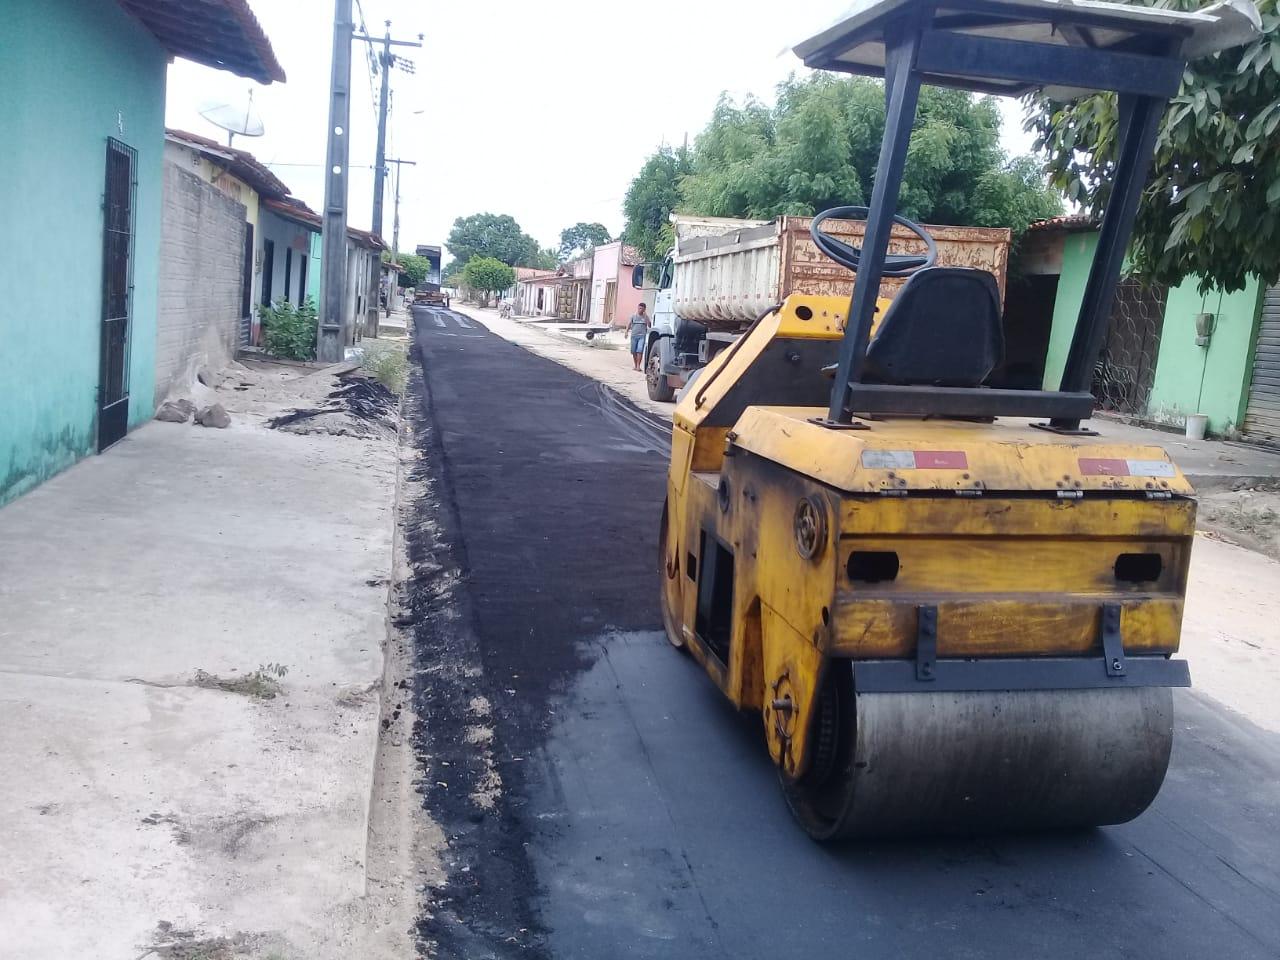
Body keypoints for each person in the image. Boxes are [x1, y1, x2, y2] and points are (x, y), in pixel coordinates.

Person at [627, 303, 651, 372]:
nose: (640, 310)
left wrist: (646, 316)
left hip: (642, 336)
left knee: (639, 351)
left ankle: (638, 366)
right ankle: (635, 365)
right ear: (638, 308)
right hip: (634, 335)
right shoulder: (633, 316)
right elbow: (629, 324)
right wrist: (626, 332)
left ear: (644, 309)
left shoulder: (646, 317)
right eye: (639, 308)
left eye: (642, 309)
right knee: (634, 351)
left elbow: (649, 325)